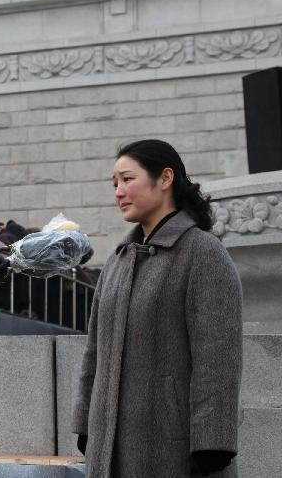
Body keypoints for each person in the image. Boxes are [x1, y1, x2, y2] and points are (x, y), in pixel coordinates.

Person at [72, 140, 242, 477]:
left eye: (127, 179)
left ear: (165, 178)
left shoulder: (202, 253)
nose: (119, 191)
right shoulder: (117, 261)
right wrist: (85, 422)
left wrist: (213, 442)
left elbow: (218, 357)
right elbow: (94, 352)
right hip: (109, 447)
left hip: (176, 449)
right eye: (115, 184)